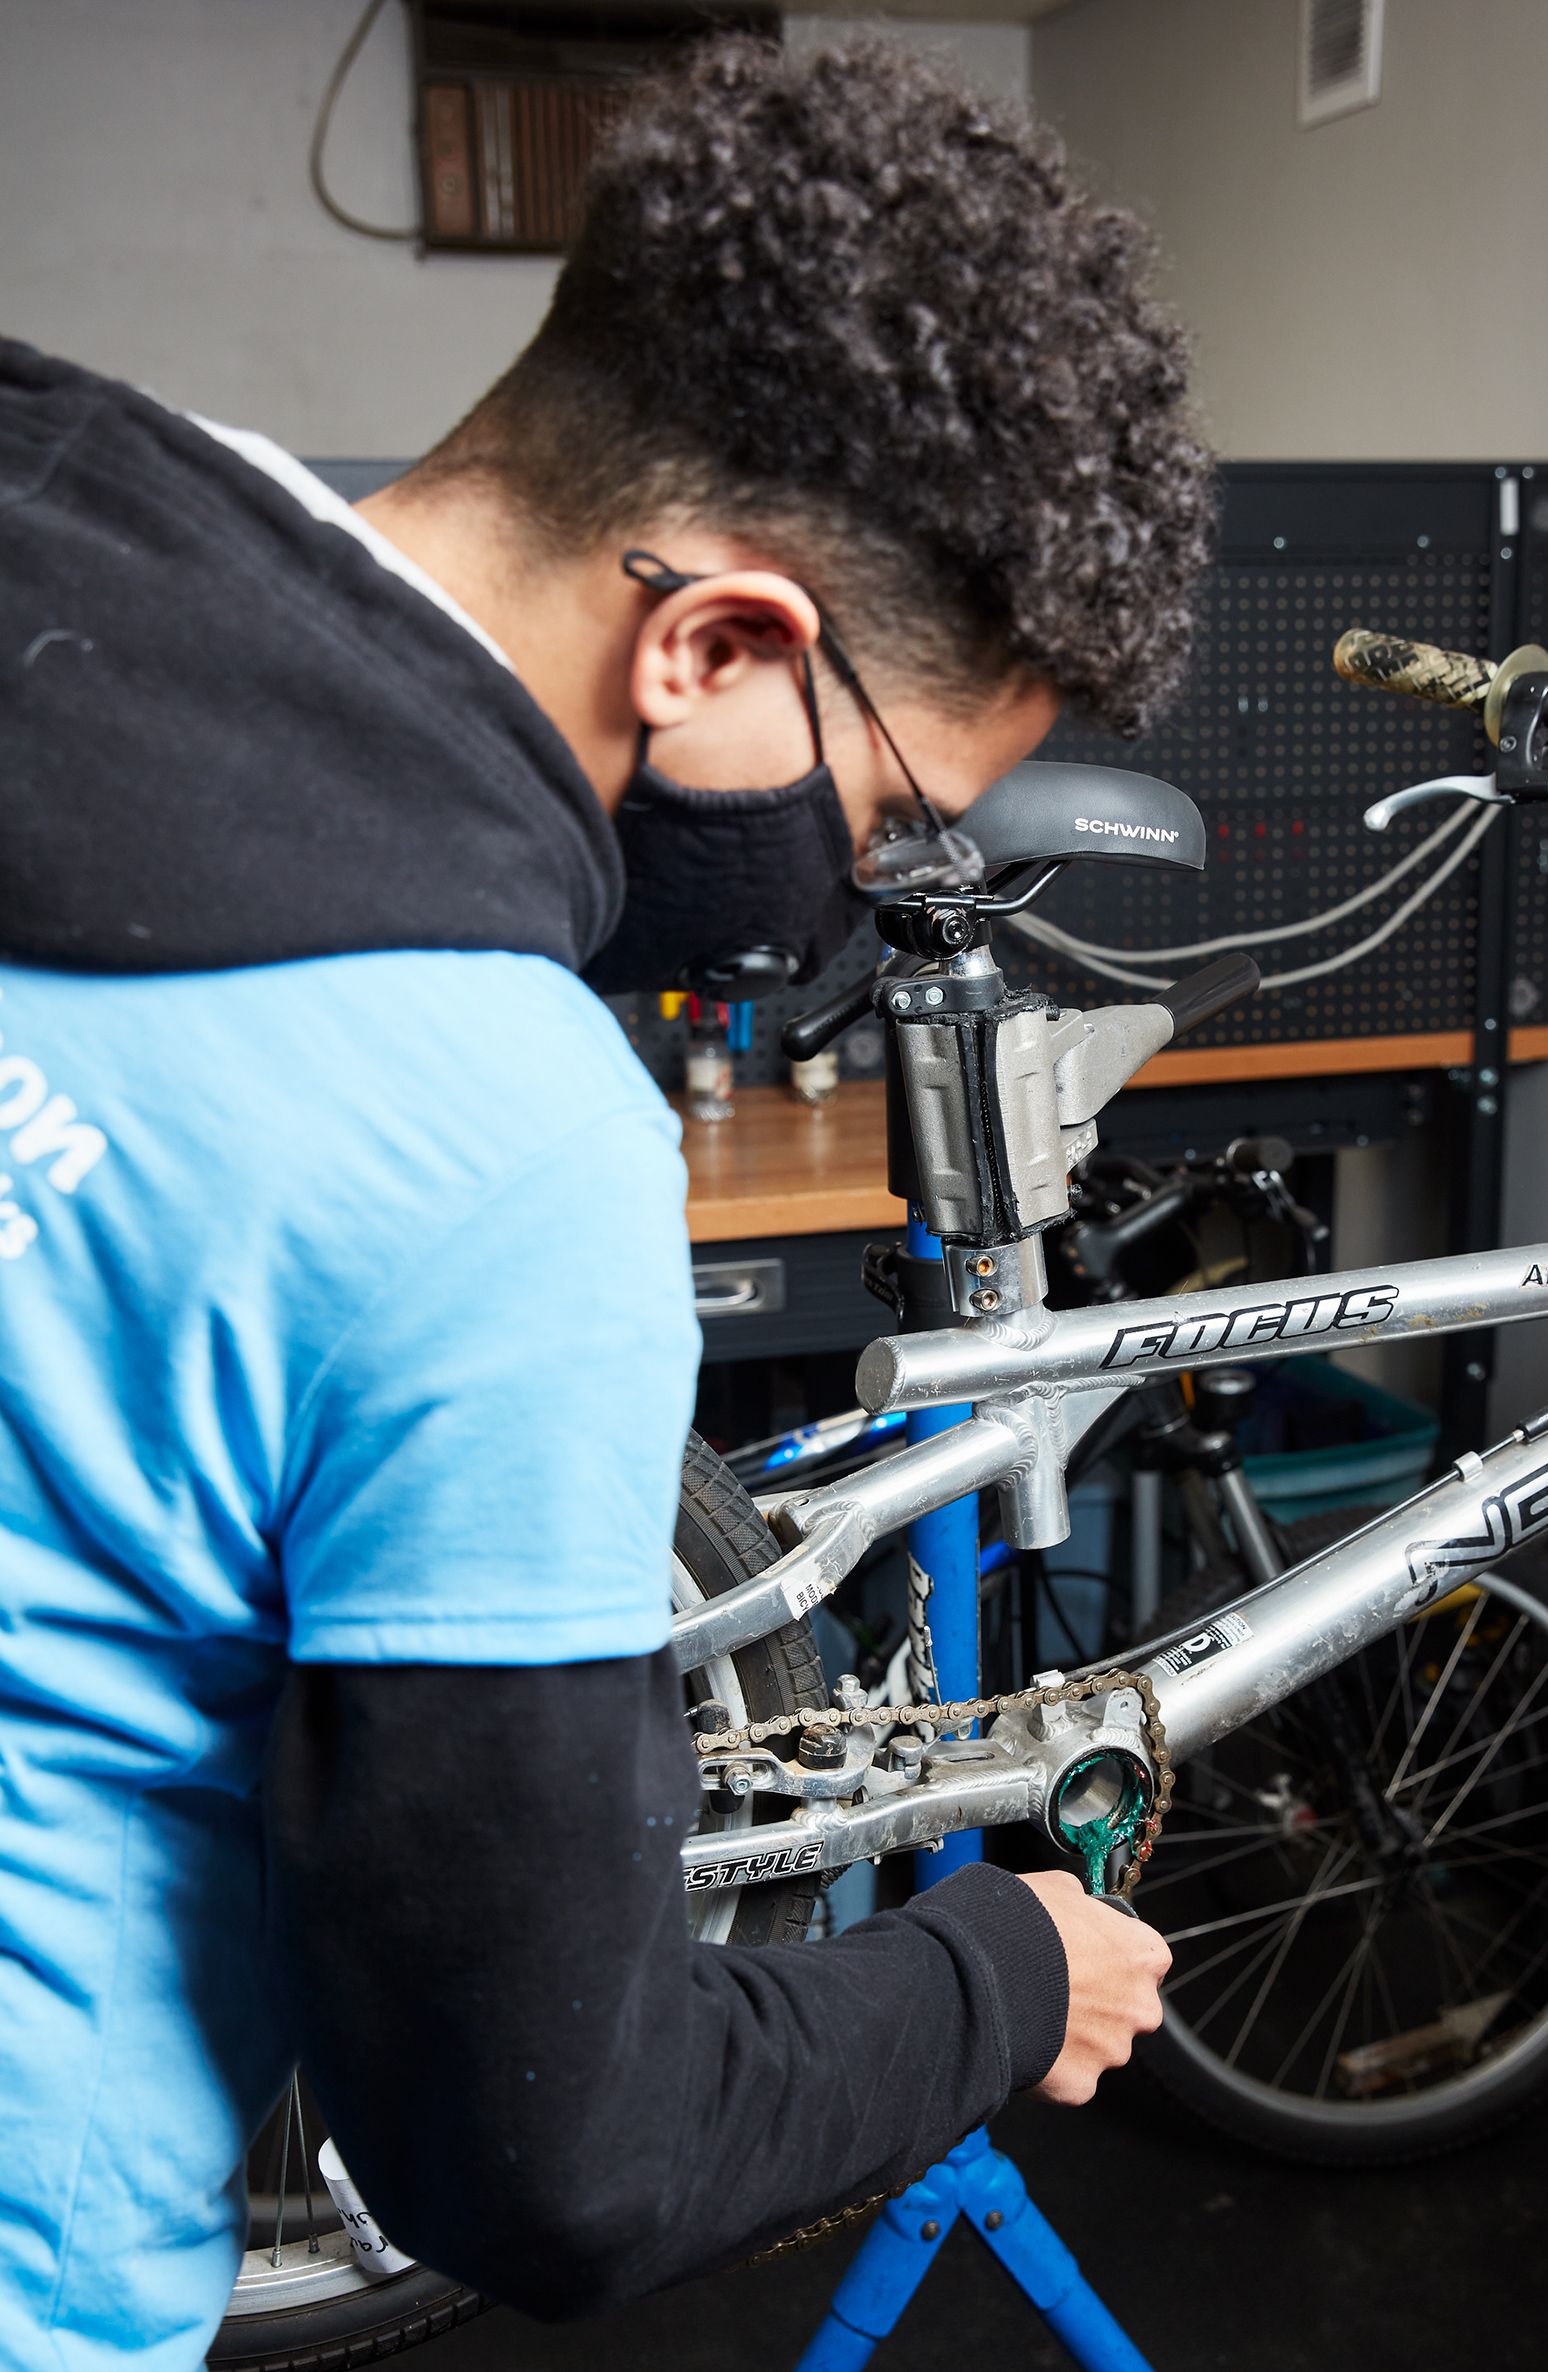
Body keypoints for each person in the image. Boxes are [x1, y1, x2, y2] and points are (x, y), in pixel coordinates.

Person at [0, 31, 1212, 2367]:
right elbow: (550, 2153)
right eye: (882, 808)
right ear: (719, 644)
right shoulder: (495, 1145)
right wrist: (999, 1966)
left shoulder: (65, 510)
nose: (861, 880)